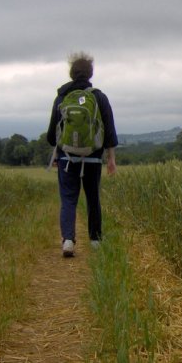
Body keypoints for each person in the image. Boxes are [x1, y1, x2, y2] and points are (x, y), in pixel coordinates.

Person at [47, 52, 118, 257]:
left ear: (71, 73)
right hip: (93, 158)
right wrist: (111, 158)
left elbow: (53, 135)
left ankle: (68, 240)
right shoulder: (99, 97)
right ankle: (95, 241)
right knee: (93, 197)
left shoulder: (61, 97)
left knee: (68, 199)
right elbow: (110, 131)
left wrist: (57, 153)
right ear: (90, 74)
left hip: (67, 158)